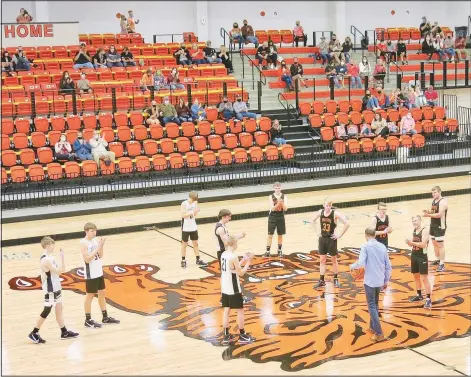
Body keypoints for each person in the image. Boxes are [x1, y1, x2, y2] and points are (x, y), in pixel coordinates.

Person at [28, 237, 79, 344]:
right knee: (47, 310)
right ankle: (34, 332)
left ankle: (64, 332)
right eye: (52, 245)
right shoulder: (45, 259)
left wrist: (62, 259)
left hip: (56, 287)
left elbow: (62, 270)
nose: (53, 247)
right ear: (47, 245)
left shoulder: (50, 257)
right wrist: (62, 259)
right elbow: (59, 272)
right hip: (51, 289)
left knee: (59, 309)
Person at [350, 228, 392, 342]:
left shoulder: (365, 246)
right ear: (374, 235)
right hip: (380, 281)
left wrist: (352, 266)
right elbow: (388, 266)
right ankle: (372, 327)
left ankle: (379, 333)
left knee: (372, 306)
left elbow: (361, 263)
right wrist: (386, 280)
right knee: (376, 303)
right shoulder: (382, 247)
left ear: (366, 235)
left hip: (370, 282)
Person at [80, 222, 120, 328]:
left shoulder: (94, 240)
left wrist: (101, 246)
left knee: (102, 293)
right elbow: (87, 260)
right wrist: (97, 248)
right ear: (86, 231)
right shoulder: (83, 243)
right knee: (90, 295)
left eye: (95, 231)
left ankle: (105, 317)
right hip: (90, 274)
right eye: (92, 231)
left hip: (98, 271)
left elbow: (100, 255)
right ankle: (88, 319)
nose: (94, 233)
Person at [220, 236, 256, 345]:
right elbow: (240, 273)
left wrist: (243, 260)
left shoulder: (224, 254)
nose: (237, 244)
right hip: (233, 287)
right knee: (240, 310)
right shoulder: (233, 256)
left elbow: (232, 269)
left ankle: (226, 335)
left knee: (227, 310)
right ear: (233, 244)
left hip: (225, 286)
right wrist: (249, 262)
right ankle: (242, 335)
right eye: (236, 242)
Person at [312, 199, 350, 289]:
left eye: (329, 205)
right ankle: (321, 280)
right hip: (322, 239)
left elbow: (347, 224)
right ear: (323, 205)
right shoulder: (320, 212)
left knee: (334, 260)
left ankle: (336, 278)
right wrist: (317, 232)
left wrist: (339, 235)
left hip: (331, 240)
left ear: (331, 206)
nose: (328, 207)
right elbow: (312, 221)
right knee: (322, 260)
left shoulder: (335, 214)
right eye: (326, 205)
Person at [405, 216, 432, 309]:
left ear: (420, 220)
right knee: (415, 276)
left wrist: (412, 243)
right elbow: (414, 243)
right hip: (414, 255)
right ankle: (419, 295)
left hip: (422, 257)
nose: (414, 222)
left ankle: (428, 299)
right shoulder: (414, 230)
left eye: (416, 220)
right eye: (413, 221)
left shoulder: (424, 230)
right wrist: (409, 243)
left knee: (424, 278)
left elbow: (423, 244)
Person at [423, 186, 448, 272]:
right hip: (433, 225)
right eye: (432, 193)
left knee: (440, 245)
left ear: (439, 192)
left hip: (440, 226)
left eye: (435, 192)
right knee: (434, 243)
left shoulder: (443, 202)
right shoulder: (434, 201)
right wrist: (428, 212)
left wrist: (428, 215)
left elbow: (439, 215)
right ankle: (437, 259)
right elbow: (434, 212)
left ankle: (442, 264)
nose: (433, 194)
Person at [180, 192, 208, 268]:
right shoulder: (184, 204)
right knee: (184, 244)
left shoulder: (195, 202)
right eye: (193, 200)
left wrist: (196, 212)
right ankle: (183, 260)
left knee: (195, 243)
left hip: (193, 226)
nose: (193, 201)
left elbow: (195, 215)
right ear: (190, 197)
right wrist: (193, 212)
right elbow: (183, 215)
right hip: (185, 227)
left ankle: (198, 259)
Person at [264, 182, 288, 258]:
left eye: (279, 188)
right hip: (272, 217)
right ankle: (267, 251)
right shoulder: (271, 196)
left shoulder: (284, 196)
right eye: (276, 188)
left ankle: (279, 251)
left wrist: (282, 203)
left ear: (281, 188)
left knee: (280, 234)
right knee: (270, 235)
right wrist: (278, 203)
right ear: (274, 188)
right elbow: (273, 208)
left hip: (281, 216)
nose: (277, 189)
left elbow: (286, 209)